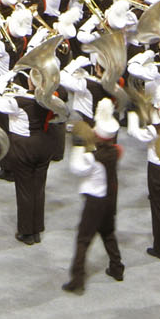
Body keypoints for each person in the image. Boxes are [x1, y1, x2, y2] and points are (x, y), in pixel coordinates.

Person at [60, 103, 124, 294]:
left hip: (95, 201)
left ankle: (77, 280)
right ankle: (116, 267)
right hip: (110, 199)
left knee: (83, 239)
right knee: (108, 232)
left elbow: (76, 169)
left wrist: (78, 146)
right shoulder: (114, 151)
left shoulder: (92, 157)